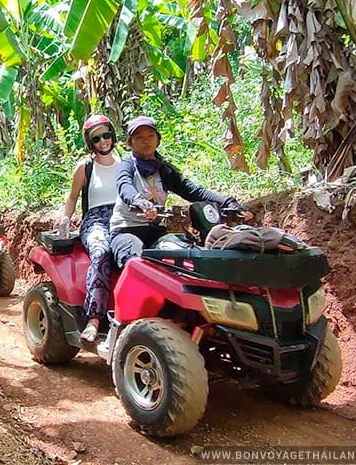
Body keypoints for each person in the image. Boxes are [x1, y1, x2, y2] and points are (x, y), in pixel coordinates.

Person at [109, 116, 248, 268]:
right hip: (125, 231)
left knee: (187, 257)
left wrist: (227, 202)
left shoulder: (165, 170)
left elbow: (194, 191)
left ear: (158, 139)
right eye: (139, 137)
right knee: (133, 259)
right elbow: (124, 186)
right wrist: (138, 201)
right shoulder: (127, 166)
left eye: (150, 135)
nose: (146, 141)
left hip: (156, 233)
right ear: (130, 143)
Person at [60, 114, 120, 342]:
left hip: (123, 218)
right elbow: (73, 197)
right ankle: (94, 319)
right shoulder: (85, 167)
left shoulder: (126, 164)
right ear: (90, 142)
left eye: (106, 135)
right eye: (97, 138)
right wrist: (66, 218)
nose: (103, 141)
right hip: (96, 220)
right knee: (101, 251)